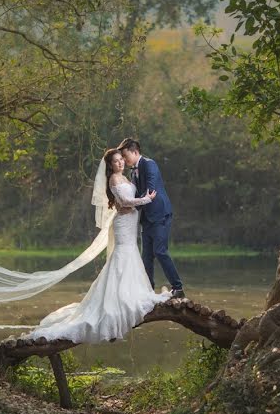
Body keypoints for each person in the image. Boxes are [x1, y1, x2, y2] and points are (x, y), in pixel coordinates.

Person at [24, 149, 172, 344]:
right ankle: (116, 302)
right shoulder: (114, 181)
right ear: (110, 166)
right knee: (123, 255)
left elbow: (127, 202)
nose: (120, 163)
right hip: (123, 224)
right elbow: (125, 202)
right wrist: (146, 200)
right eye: (116, 162)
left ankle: (132, 294)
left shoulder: (126, 178)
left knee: (131, 255)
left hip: (130, 224)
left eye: (121, 160)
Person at [118, 138, 185, 299]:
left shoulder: (149, 164)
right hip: (146, 218)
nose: (124, 160)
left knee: (160, 251)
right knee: (146, 256)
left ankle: (178, 288)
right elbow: (135, 194)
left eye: (126, 156)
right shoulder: (132, 171)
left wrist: (132, 206)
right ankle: (148, 291)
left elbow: (150, 190)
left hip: (159, 214)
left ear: (135, 152)